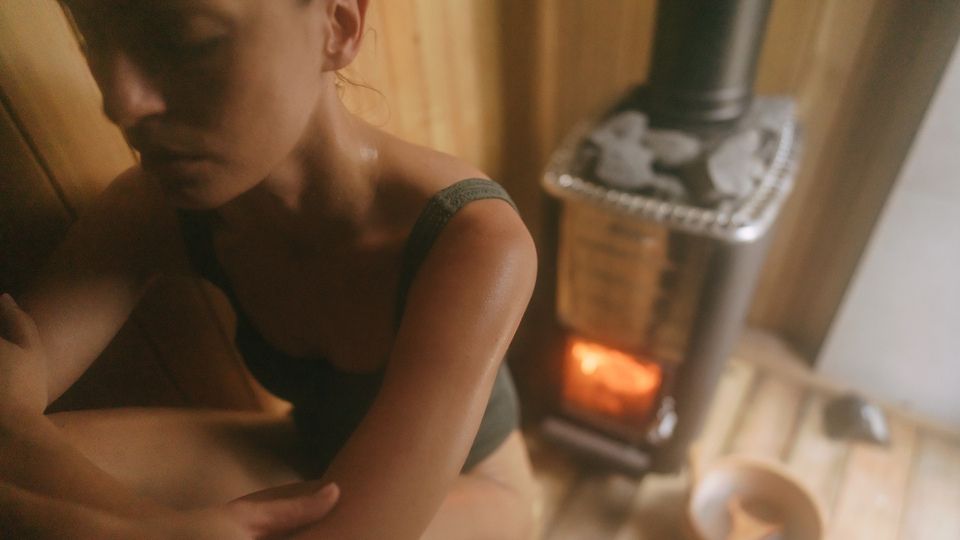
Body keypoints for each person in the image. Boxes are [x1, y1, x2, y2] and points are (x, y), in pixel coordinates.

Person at [0, 0, 538, 538]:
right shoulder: (156, 210)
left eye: (187, 41)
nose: (119, 104)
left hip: (477, 489)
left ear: (338, 26)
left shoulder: (476, 242)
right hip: (307, 449)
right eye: (92, 41)